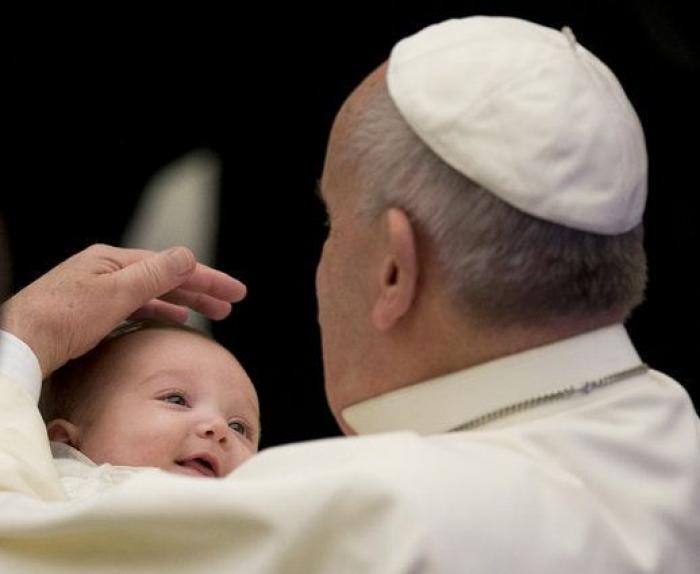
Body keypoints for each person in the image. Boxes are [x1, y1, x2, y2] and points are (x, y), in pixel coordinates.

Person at [1, 16, 698, 574]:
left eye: (333, 222)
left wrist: (22, 340)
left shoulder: (374, 510)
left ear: (395, 267)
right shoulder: (681, 442)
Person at [38, 319, 260, 495]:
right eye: (176, 400)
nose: (219, 426)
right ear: (66, 446)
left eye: (238, 427)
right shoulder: (52, 493)